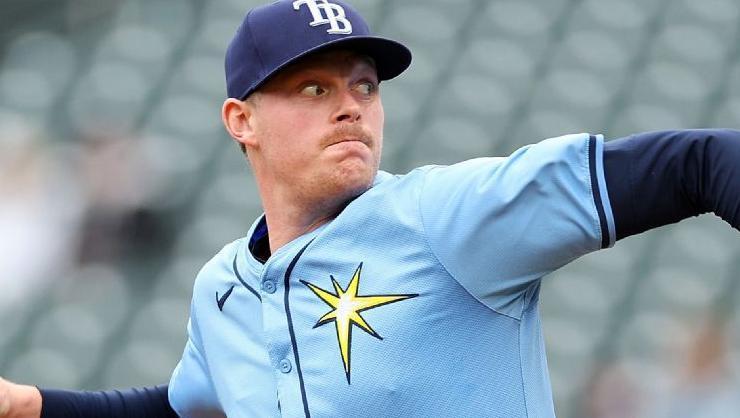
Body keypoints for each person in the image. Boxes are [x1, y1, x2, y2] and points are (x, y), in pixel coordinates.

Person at [2, 0, 739, 417]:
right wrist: (31, 404)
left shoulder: (444, 216)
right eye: (314, 89)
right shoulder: (222, 288)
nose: (352, 106)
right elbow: (182, 409)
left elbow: (698, 163)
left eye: (364, 85)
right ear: (241, 120)